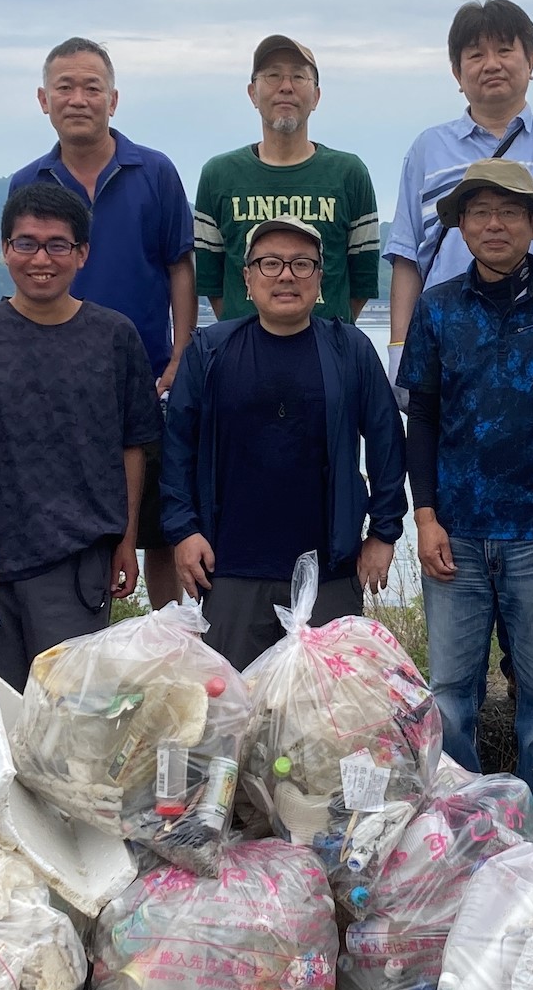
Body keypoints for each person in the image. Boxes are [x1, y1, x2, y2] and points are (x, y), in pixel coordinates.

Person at [399, 159, 533, 818]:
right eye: (480, 212)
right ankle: (460, 825)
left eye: (510, 212)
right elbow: (423, 419)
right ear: (461, 226)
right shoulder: (435, 310)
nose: (494, 224)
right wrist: (424, 517)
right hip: (454, 532)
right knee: (450, 689)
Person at [0, 183, 161, 689]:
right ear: (5, 249)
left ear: (82, 254)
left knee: (67, 714)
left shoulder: (114, 337)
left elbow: (132, 445)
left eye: (58, 244)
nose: (41, 259)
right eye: (26, 243)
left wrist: (127, 539)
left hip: (77, 560)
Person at [162, 216, 404, 672]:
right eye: (270, 263)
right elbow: (178, 449)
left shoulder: (349, 349)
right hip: (231, 569)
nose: (286, 275)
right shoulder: (209, 352)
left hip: (330, 571)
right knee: (235, 713)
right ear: (247, 279)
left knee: (328, 714)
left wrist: (384, 532)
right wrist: (183, 530)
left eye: (302, 264)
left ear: (320, 279)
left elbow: (387, 440)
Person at [10, 37, 194, 607]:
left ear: (114, 99)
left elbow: (179, 268)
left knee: (161, 529)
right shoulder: (29, 181)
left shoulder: (155, 172)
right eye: (65, 86)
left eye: (92, 87)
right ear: (43, 99)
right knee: (74, 520)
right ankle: (81, 637)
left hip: (149, 376)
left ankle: (169, 643)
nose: (79, 98)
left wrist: (182, 355)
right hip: (57, 383)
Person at [384, 0, 533, 379]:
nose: (492, 64)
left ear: (531, 61)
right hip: (451, 346)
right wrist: (400, 349)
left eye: (504, 50)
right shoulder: (428, 149)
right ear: (457, 72)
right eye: (476, 54)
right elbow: (407, 257)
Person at [194, 36, 381, 324]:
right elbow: (211, 283)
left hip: (327, 354)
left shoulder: (349, 174)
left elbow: (362, 283)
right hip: (241, 355)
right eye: (272, 76)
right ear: (252, 94)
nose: (285, 86)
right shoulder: (218, 176)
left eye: (298, 76)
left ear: (316, 96)